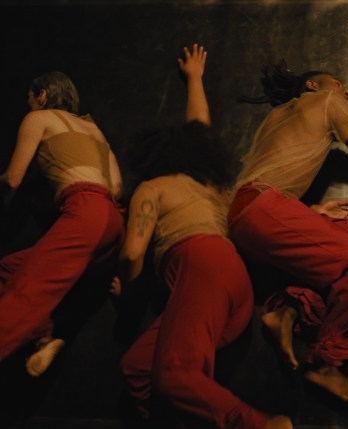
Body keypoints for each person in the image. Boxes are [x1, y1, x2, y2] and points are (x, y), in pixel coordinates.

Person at [115, 44, 292, 429]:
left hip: (200, 269)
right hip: (235, 289)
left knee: (175, 374)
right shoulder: (210, 186)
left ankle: (261, 425)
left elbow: (131, 255)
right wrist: (195, 79)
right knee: (138, 367)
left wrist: (127, 294)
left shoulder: (153, 187)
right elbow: (200, 129)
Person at [229, 60, 348, 409]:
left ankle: (287, 311)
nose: (344, 91)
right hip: (265, 207)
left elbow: (270, 174)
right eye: (336, 82)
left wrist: (311, 212)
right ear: (312, 86)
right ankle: (328, 362)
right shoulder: (325, 101)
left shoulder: (275, 118)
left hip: (245, 213)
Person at [0, 69, 124, 375]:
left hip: (85, 212)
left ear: (42, 95)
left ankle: (32, 332)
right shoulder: (95, 130)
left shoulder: (39, 118)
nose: (29, 105)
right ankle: (44, 336)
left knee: (24, 293)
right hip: (113, 222)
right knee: (11, 270)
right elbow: (117, 187)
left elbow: (13, 178)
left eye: (30, 99)